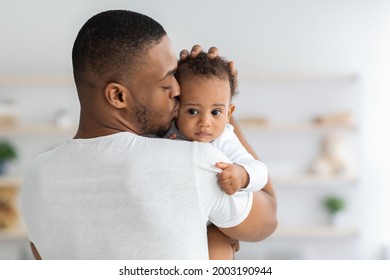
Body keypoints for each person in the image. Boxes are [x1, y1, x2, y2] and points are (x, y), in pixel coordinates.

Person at [20, 10, 277, 260]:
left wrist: (202, 98)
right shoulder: (195, 161)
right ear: (118, 96)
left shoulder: (37, 176)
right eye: (166, 82)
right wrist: (219, 103)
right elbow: (267, 219)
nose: (178, 90)